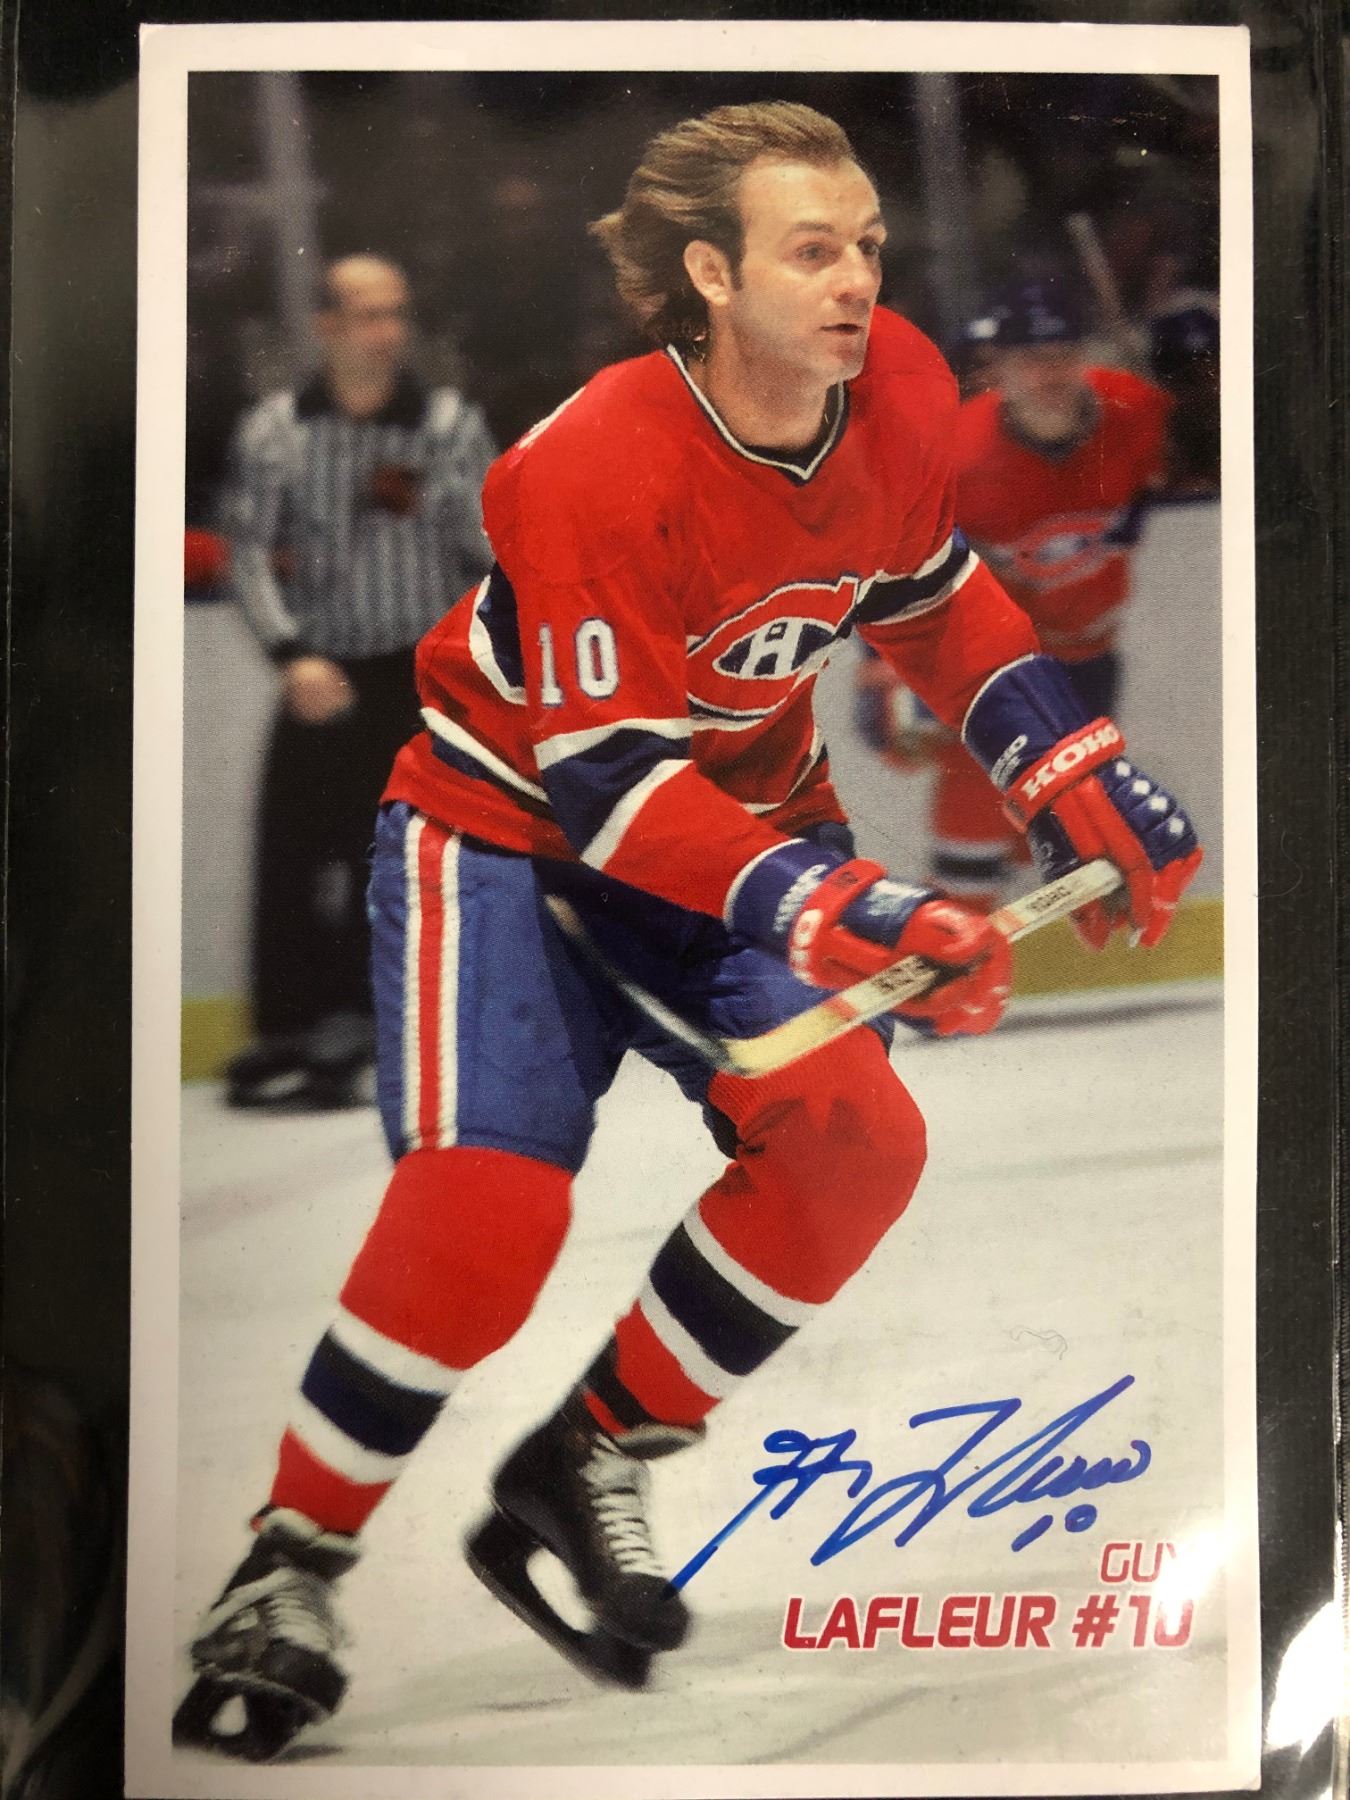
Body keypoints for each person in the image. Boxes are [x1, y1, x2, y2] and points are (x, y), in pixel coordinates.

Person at [176, 105, 1201, 1760]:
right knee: (486, 1203)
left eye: (868, 245)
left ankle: (589, 1457)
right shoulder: (585, 460)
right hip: (507, 830)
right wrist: (847, 900)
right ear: (711, 275)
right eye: (814, 250)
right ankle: (289, 1560)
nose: (859, 279)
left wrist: (1064, 757)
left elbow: (931, 592)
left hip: (738, 826)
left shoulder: (895, 393)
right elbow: (610, 789)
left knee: (852, 1142)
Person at [220, 255, 496, 1106]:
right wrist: (290, 654)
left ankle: (377, 1019)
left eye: (396, 314)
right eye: (368, 315)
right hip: (320, 669)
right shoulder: (279, 429)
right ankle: (290, 1023)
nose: (387, 333)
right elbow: (245, 551)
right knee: (293, 850)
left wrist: (469, 664)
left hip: (415, 677)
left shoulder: (446, 425)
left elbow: (488, 551)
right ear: (327, 326)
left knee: (399, 853)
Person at [854, 279, 1175, 910]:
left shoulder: (1138, 410)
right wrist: (881, 667)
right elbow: (893, 560)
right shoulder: (956, 453)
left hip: (1088, 650)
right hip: (994, 656)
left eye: (1062, 354)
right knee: (979, 784)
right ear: (998, 366)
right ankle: (953, 936)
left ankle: (996, 911)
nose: (1049, 373)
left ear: (1086, 355)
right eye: (1030, 358)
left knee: (1059, 816)